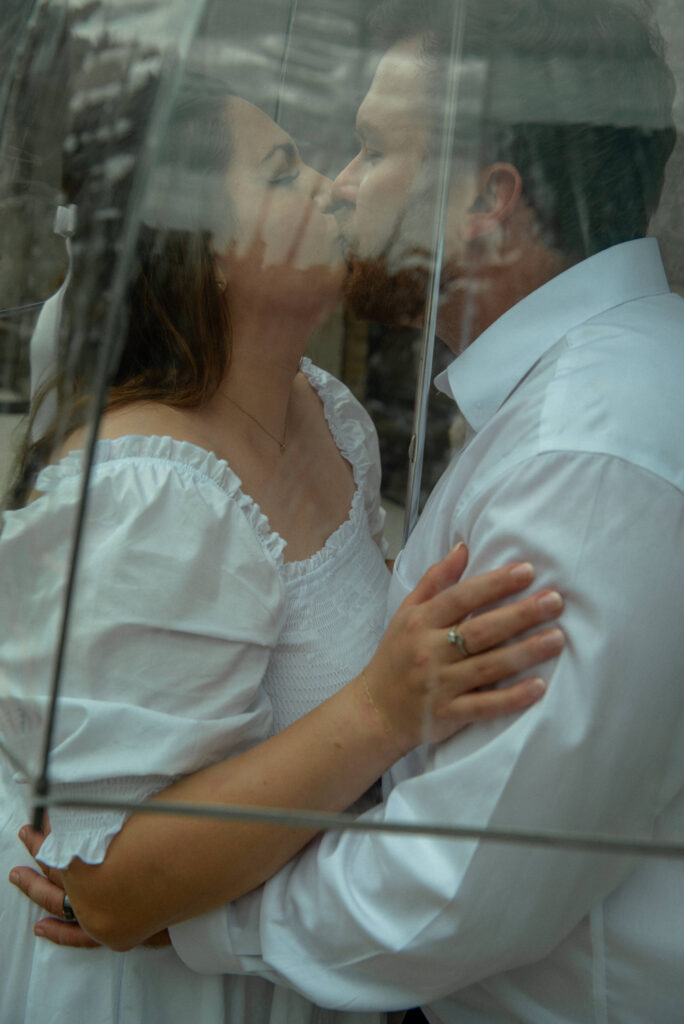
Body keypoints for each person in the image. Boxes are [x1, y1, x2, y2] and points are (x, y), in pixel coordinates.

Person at [0, 47, 565, 1024]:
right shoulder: (143, 494)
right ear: (198, 243)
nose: (334, 187)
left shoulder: (331, 413)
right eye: (281, 172)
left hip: (294, 958)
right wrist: (387, 708)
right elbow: (109, 887)